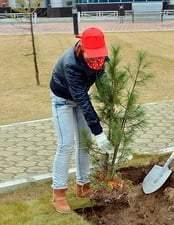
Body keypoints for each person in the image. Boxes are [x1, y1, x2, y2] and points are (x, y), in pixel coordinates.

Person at [49, 27, 113, 214]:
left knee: (85, 144)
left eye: (98, 55)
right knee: (66, 144)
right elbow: (83, 100)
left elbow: (101, 79)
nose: (95, 59)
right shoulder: (71, 64)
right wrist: (99, 133)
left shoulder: (100, 58)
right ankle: (58, 193)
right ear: (81, 47)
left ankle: (83, 186)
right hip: (62, 100)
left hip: (81, 96)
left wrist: (110, 101)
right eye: (91, 55)